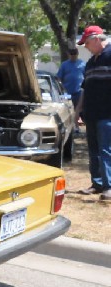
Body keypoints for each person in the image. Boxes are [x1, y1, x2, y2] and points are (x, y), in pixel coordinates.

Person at [75, 26, 111, 201]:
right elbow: (84, 90)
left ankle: (109, 187)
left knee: (106, 150)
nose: (86, 47)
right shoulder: (90, 63)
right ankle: (96, 184)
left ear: (97, 39)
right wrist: (78, 111)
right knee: (94, 150)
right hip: (91, 114)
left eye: (87, 43)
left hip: (107, 114)